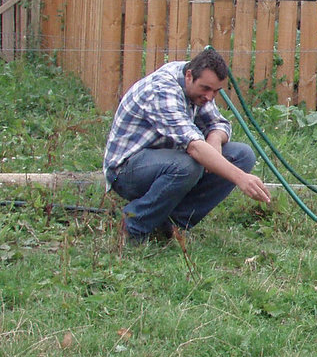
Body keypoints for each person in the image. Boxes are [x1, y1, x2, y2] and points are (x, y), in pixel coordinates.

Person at [103, 47, 271, 243]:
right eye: (206, 89)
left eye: (216, 91)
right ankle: (134, 224)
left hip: (165, 162)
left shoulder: (195, 86)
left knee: (242, 155)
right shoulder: (163, 90)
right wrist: (241, 178)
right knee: (188, 165)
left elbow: (218, 124)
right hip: (125, 171)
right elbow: (194, 147)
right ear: (190, 76)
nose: (209, 97)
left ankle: (168, 222)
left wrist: (215, 142)